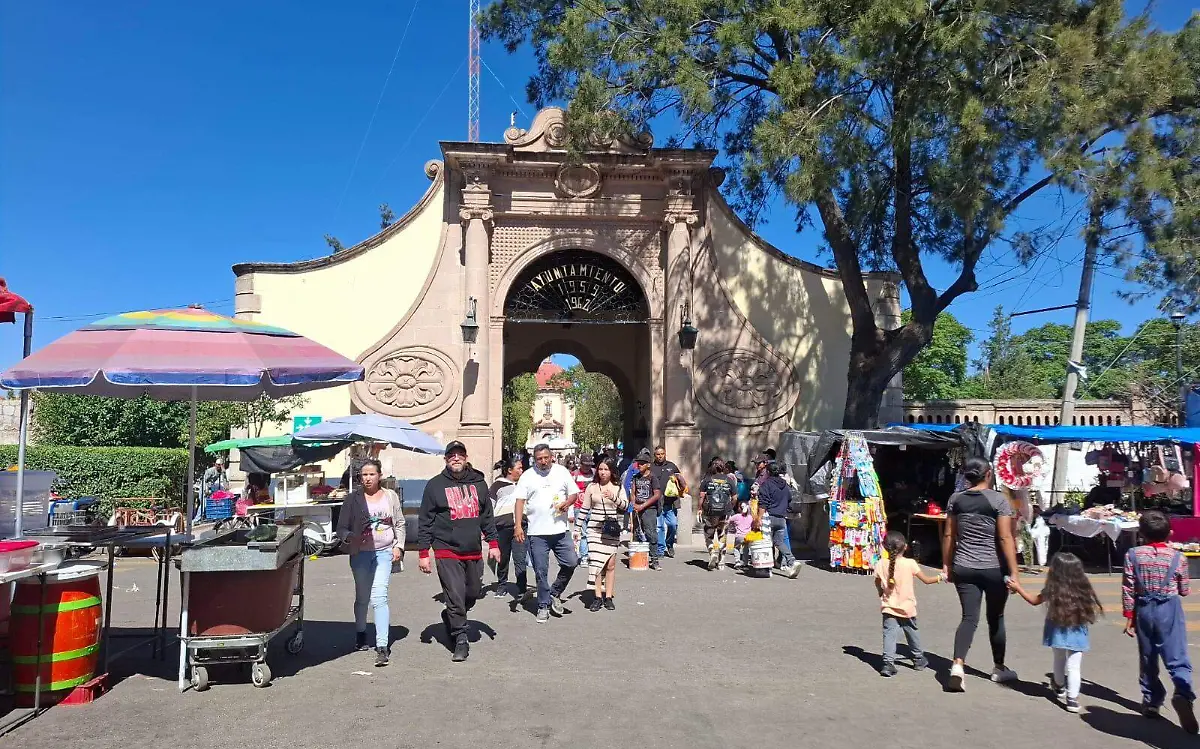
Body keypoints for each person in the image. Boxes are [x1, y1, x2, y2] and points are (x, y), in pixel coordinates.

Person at [941, 456, 1022, 692]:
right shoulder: (998, 500)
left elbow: (948, 535)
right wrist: (1015, 571)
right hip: (993, 569)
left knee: (969, 618)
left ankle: (957, 665)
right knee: (995, 617)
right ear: (988, 474)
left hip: (963, 566)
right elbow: (1005, 537)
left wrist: (947, 565)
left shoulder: (956, 499)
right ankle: (999, 668)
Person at [417, 441, 500, 663]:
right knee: (454, 595)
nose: (456, 458)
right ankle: (460, 638)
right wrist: (424, 552)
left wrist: (493, 543)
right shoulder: (434, 486)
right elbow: (425, 521)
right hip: (446, 549)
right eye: (451, 455)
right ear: (445, 459)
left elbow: (487, 517)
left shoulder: (479, 483)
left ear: (465, 457)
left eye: (460, 454)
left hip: (472, 549)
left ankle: (451, 616)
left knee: (471, 594)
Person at [1122, 509, 1197, 733]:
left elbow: (1128, 588)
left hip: (1144, 608)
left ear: (1141, 533)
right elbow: (1184, 590)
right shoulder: (1178, 557)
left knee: (1148, 656)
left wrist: (1129, 616)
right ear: (1170, 533)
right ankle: (1183, 694)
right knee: (1177, 656)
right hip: (1169, 607)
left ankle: (1152, 701)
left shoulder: (1133, 555)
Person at [1007, 552, 1101, 714]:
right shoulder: (1083, 588)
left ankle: (1059, 686)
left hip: (1056, 630)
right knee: (1074, 666)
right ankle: (1072, 699)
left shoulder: (1052, 589)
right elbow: (1091, 608)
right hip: (1077, 630)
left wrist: (1018, 588)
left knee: (1059, 659)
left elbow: (1034, 601)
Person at [334, 459, 405, 667]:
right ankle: (361, 633)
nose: (367, 478)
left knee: (379, 596)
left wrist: (398, 546)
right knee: (362, 597)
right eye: (364, 474)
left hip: (384, 552)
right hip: (360, 554)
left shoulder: (390, 497)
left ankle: (382, 646)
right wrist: (350, 537)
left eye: (371, 474)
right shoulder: (352, 499)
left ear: (379, 475)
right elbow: (341, 528)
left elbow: (399, 523)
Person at [514, 444, 580, 623]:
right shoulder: (527, 476)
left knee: (572, 562)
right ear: (534, 459)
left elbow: (574, 493)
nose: (543, 462)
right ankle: (543, 605)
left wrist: (568, 503)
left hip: (560, 530)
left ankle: (555, 592)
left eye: (546, 457)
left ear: (552, 456)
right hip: (537, 532)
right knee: (541, 571)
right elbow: (519, 501)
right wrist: (518, 526)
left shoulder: (562, 471)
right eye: (539, 459)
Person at [875, 530, 943, 677]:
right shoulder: (910, 563)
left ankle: (888, 663)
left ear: (885, 547)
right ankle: (918, 659)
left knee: (889, 635)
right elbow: (926, 580)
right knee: (912, 633)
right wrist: (941, 577)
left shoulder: (880, 563)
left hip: (889, 607)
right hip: (907, 608)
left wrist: (881, 593)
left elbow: (877, 582)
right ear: (905, 547)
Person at [574, 457, 629, 611]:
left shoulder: (618, 487)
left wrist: (614, 498)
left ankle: (609, 596)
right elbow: (584, 509)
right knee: (596, 563)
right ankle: (598, 596)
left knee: (610, 565)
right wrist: (577, 529)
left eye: (606, 469)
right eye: (600, 469)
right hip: (594, 530)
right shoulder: (591, 487)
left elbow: (626, 506)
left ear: (611, 471)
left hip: (611, 531)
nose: (603, 472)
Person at [489, 455, 528, 600]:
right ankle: (502, 585)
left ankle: (522, 588)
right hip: (502, 527)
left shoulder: (524, 485)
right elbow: (490, 506)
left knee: (520, 558)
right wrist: (487, 527)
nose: (521, 470)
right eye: (519, 468)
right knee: (503, 557)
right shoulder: (497, 485)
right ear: (510, 470)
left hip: (520, 527)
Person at [756, 461, 802, 578]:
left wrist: (759, 518)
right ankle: (792, 560)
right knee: (779, 542)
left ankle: (767, 568)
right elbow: (789, 499)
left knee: (766, 542)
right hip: (781, 518)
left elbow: (763, 503)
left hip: (769, 517)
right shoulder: (785, 485)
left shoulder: (766, 485)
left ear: (768, 472)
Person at [698, 457, 736, 570]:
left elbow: (701, 496)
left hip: (710, 512)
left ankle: (712, 552)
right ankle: (722, 562)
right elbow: (734, 497)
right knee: (722, 535)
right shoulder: (729, 480)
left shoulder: (707, 480)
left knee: (708, 534)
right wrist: (730, 507)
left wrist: (699, 509)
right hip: (725, 512)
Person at [629, 448, 663, 571]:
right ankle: (639, 557)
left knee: (651, 533)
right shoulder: (636, 477)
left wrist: (643, 506)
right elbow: (633, 492)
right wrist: (633, 504)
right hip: (637, 508)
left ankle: (654, 560)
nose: (639, 465)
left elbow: (657, 494)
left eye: (642, 463)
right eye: (638, 463)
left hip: (649, 509)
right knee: (638, 532)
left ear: (648, 465)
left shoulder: (653, 478)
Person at [651, 446, 686, 559]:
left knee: (673, 525)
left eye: (662, 454)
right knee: (660, 527)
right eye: (658, 454)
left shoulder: (671, 466)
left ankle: (669, 544)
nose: (660, 456)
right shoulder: (651, 467)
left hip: (670, 503)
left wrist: (679, 481)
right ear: (654, 455)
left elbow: (681, 479)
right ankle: (661, 550)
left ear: (665, 454)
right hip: (657, 503)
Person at [573, 455, 596, 569]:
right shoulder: (575, 475)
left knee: (593, 533)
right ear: (581, 464)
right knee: (583, 533)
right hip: (579, 507)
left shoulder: (594, 473)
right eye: (585, 465)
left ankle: (593, 555)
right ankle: (584, 557)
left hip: (593, 507)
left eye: (589, 465)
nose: (587, 468)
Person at [727, 499, 754, 568]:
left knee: (736, 548)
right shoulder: (750, 517)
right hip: (747, 536)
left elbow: (728, 520)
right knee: (746, 549)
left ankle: (737, 561)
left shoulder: (737, 516)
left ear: (739, 508)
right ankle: (745, 563)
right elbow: (753, 525)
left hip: (738, 536)